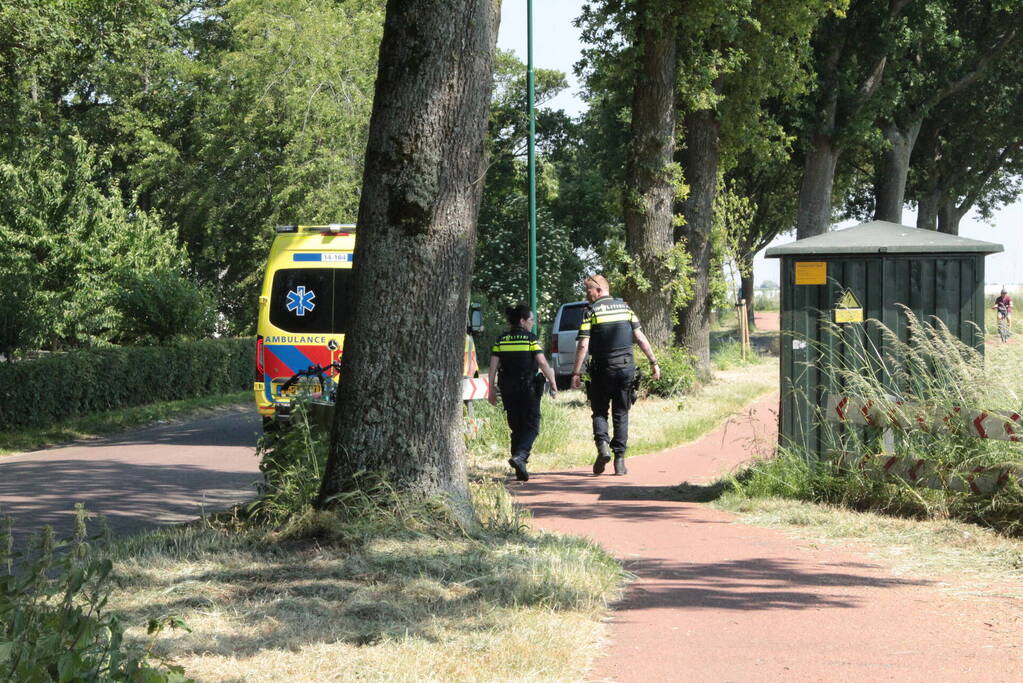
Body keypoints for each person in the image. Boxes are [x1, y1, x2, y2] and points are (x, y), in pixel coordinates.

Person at [570, 274, 660, 476]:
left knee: (600, 411)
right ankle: (619, 460)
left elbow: (583, 344)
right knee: (621, 413)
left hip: (602, 370)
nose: (587, 295)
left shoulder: (591, 312)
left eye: (589, 291)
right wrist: (654, 363)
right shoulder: (626, 309)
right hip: (626, 369)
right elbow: (640, 337)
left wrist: (576, 372)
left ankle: (602, 446)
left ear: (599, 290)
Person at [488, 304, 558, 482]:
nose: (532, 323)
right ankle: (520, 456)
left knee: (516, 426)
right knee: (532, 426)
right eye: (531, 320)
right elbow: (542, 363)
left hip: (508, 388)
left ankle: (520, 468)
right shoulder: (530, 339)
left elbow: (493, 366)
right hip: (528, 388)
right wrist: (553, 381)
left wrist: (491, 389)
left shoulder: (501, 340)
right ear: (522, 321)